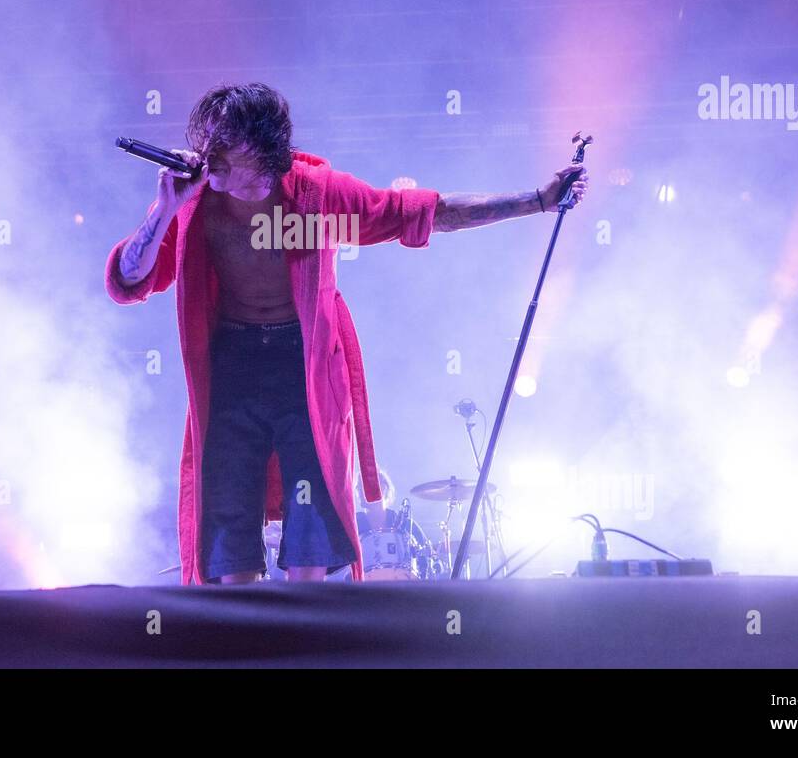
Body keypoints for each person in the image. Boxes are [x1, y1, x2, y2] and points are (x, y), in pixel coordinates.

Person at [105, 82, 587, 584]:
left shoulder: (318, 193)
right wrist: (164, 208)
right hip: (233, 369)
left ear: (265, 150)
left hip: (305, 368)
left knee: (311, 529)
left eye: (226, 145)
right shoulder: (194, 202)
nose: (212, 156)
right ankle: (240, 652)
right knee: (228, 538)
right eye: (209, 142)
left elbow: (423, 211)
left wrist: (537, 200)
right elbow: (128, 280)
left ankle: (305, 648)